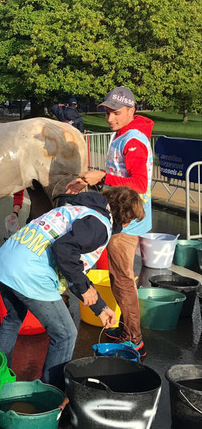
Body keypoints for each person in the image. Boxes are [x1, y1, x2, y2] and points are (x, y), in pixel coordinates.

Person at [0, 186, 144, 389]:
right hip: (29, 273)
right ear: (124, 215)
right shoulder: (99, 225)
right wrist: (84, 288)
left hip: (6, 261)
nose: (127, 226)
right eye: (130, 220)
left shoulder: (75, 209)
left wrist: (100, 307)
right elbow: (64, 250)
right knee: (65, 335)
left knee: (13, 320)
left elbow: (71, 269)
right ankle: (50, 394)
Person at [66, 86, 154, 356]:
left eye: (116, 113)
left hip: (129, 219)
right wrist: (86, 180)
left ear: (131, 110)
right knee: (118, 277)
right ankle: (127, 328)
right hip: (120, 214)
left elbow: (139, 183)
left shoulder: (133, 140)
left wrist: (102, 177)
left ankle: (134, 338)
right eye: (107, 113)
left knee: (123, 279)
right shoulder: (121, 135)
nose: (110, 119)